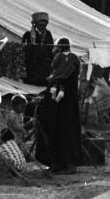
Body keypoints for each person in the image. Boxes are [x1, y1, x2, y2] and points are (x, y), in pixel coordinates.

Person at [35, 38, 83, 173]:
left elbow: (56, 83)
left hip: (57, 109)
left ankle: (59, 164)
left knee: (55, 132)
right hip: (70, 108)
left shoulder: (58, 65)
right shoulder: (74, 61)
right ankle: (67, 164)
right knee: (68, 133)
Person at [21, 12, 54, 86]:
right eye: (41, 25)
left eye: (45, 25)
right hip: (32, 63)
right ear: (35, 24)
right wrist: (36, 48)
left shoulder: (48, 34)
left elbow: (51, 46)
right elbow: (24, 48)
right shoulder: (28, 34)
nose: (43, 27)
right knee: (31, 84)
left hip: (44, 64)